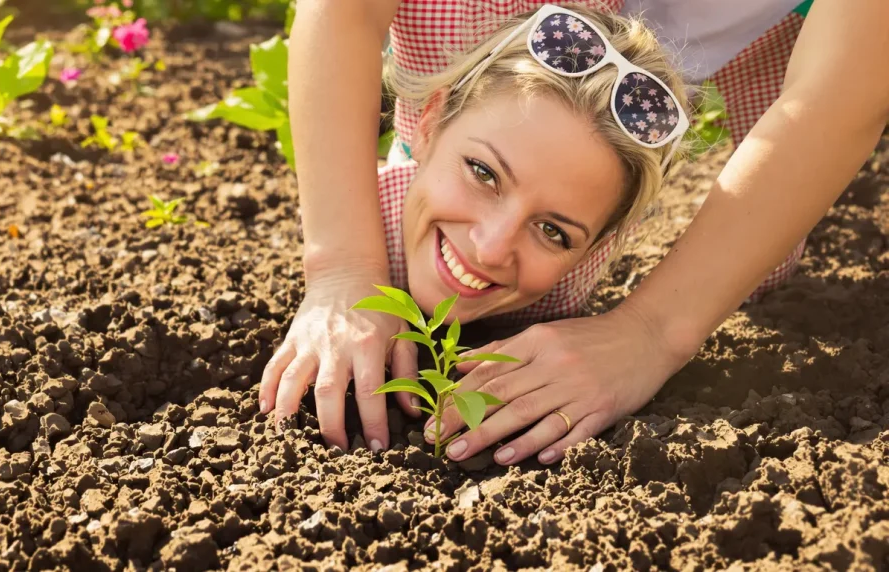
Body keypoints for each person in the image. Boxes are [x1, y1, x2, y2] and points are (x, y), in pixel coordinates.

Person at [260, 0, 889, 466]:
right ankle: (439, 175)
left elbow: (841, 90)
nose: (490, 245)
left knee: (764, 266)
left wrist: (649, 332)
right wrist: (343, 265)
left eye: (556, 232)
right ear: (430, 120)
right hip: (490, 36)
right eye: (483, 173)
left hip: (760, 33)